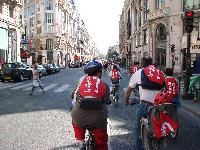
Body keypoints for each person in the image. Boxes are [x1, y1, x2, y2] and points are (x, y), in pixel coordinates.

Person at [125, 56, 164, 150]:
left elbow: (128, 91)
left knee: (138, 130)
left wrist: (126, 101)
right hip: (159, 106)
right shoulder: (160, 72)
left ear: (141, 64)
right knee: (160, 128)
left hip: (144, 105)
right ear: (151, 63)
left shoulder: (139, 73)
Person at [71, 60, 110, 150]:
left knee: (75, 120)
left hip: (79, 117)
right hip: (98, 119)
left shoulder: (80, 81)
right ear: (98, 72)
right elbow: (107, 100)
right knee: (102, 141)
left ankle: (81, 141)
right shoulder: (104, 85)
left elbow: (73, 96)